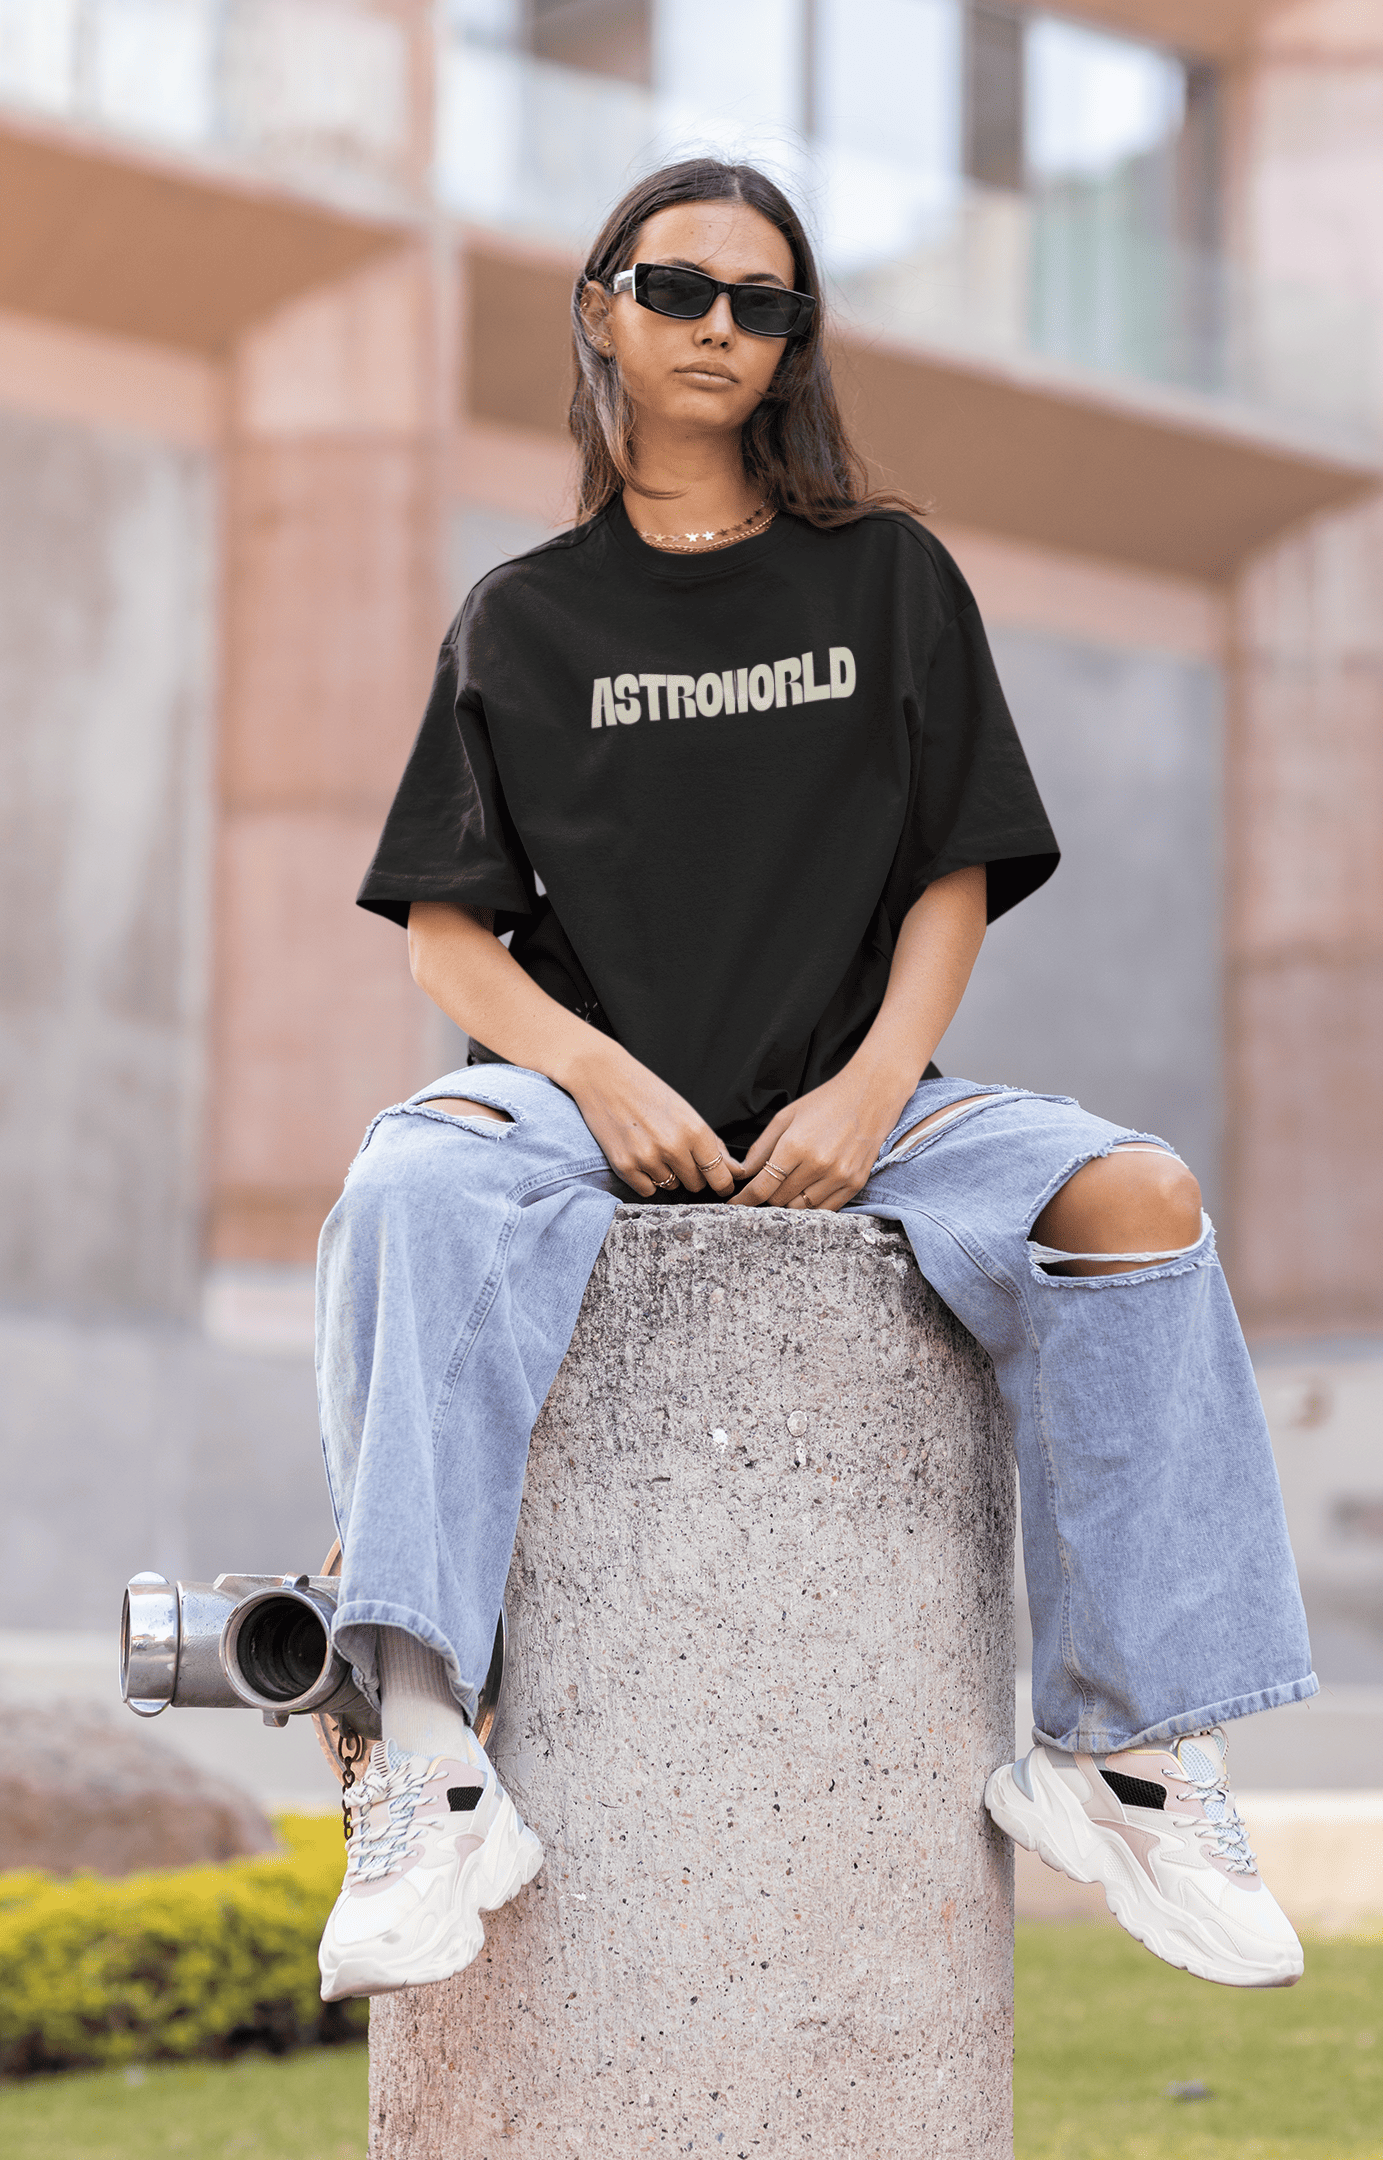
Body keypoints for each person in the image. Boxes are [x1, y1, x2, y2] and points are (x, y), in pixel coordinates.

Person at [313, 158, 1316, 2004]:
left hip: (866, 1097)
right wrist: (597, 1073)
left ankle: (1126, 1747)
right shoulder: (521, 620)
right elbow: (450, 939)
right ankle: (432, 1757)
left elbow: (953, 869)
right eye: (681, 286)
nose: (720, 327)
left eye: (765, 304)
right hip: (572, 1101)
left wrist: (868, 1091)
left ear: (794, 346)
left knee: (1137, 1196)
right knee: (406, 1187)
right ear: (600, 304)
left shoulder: (889, 575)